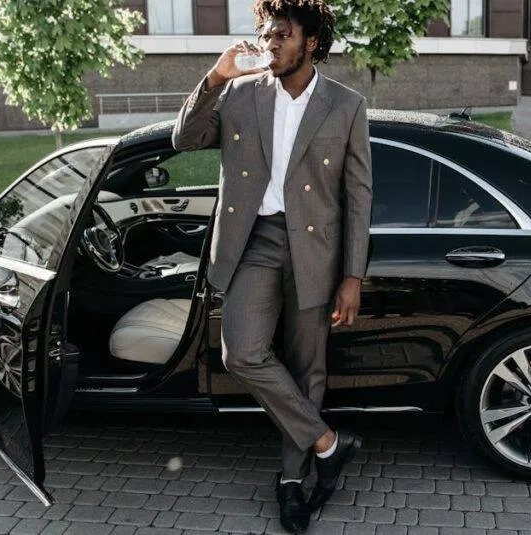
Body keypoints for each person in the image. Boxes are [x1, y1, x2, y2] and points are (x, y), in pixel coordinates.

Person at [171, 0, 372, 532]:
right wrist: (215, 75)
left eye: (282, 34)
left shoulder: (346, 104)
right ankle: (329, 443)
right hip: (252, 243)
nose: (270, 43)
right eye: (266, 33)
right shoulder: (239, 93)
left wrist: (352, 277)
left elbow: (358, 196)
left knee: (309, 370)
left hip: (317, 252)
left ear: (310, 42)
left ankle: (291, 482)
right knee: (242, 352)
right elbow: (184, 139)